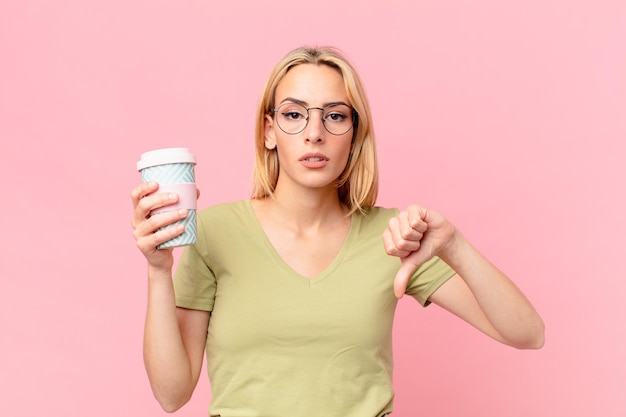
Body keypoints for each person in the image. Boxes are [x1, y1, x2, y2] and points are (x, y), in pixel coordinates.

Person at [130, 46, 545, 417]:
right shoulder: (214, 232)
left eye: (334, 115)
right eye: (293, 114)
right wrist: (158, 270)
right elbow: (172, 394)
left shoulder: (395, 236)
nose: (315, 133)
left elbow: (528, 333)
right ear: (268, 131)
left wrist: (454, 244)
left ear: (355, 134)